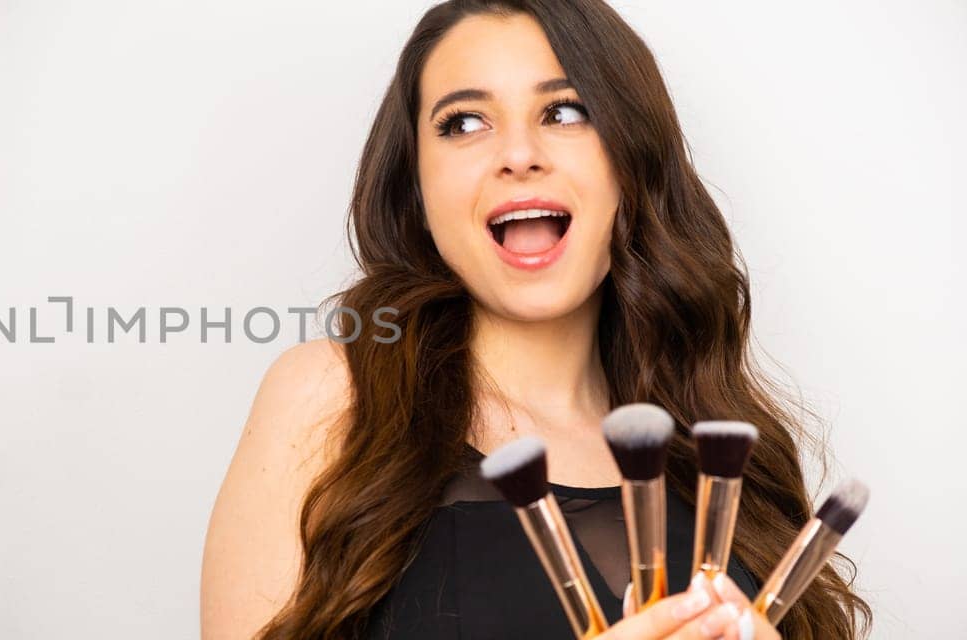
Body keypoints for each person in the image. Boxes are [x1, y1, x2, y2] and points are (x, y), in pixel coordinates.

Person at [200, 1, 870, 638]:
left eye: (566, 111)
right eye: (464, 122)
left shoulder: (722, 457)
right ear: (417, 185)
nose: (519, 154)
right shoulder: (333, 398)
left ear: (630, 162)